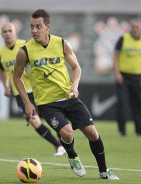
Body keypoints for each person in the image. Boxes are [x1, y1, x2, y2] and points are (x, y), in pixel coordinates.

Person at [13, 9, 119, 180]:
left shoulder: (62, 43)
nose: (34, 30)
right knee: (68, 133)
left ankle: (104, 171)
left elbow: (76, 67)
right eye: (31, 27)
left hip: (69, 97)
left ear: (47, 26)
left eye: (38, 26)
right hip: (47, 103)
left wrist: (74, 86)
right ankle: (72, 156)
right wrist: (27, 102)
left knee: (92, 133)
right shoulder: (24, 51)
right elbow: (16, 77)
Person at [0, 22, 66, 156]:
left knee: (52, 117)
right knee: (34, 121)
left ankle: (64, 143)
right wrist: (5, 86)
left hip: (37, 89)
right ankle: (58, 146)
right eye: (4, 31)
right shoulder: (0, 54)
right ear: (1, 34)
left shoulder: (25, 45)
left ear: (15, 31)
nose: (7, 34)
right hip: (20, 94)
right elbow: (2, 70)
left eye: (10, 31)